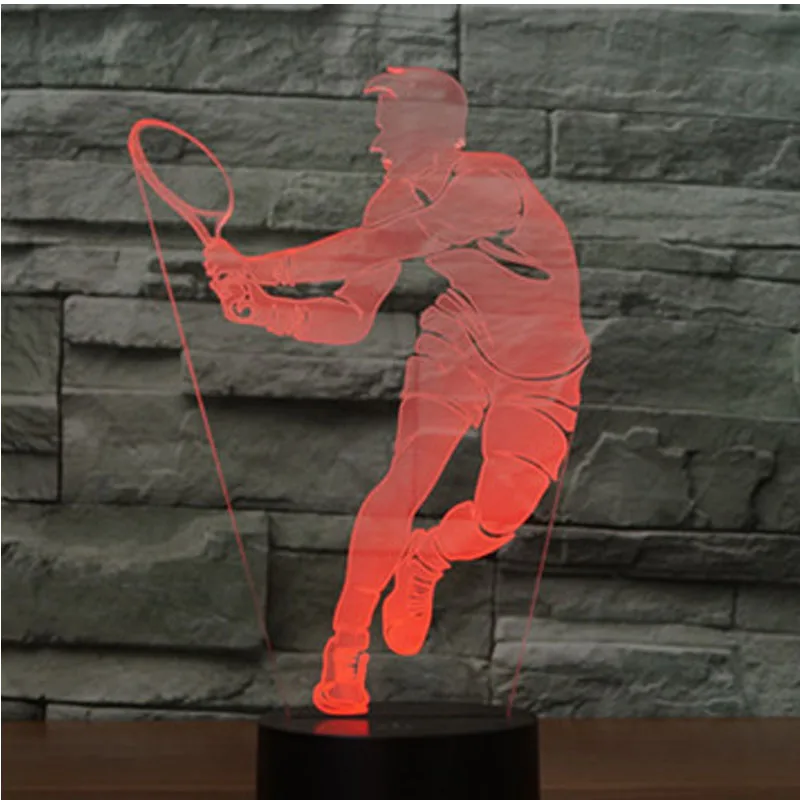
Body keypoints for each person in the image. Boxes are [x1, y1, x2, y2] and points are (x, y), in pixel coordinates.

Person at [203, 66, 591, 716]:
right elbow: (351, 315)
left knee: (499, 518)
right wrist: (268, 309)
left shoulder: (493, 181)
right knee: (406, 478)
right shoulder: (391, 198)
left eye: (391, 131)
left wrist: (258, 267)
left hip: (545, 363)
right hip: (460, 335)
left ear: (438, 134)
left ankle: (426, 558)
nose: (375, 145)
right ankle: (347, 648)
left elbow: (386, 244)